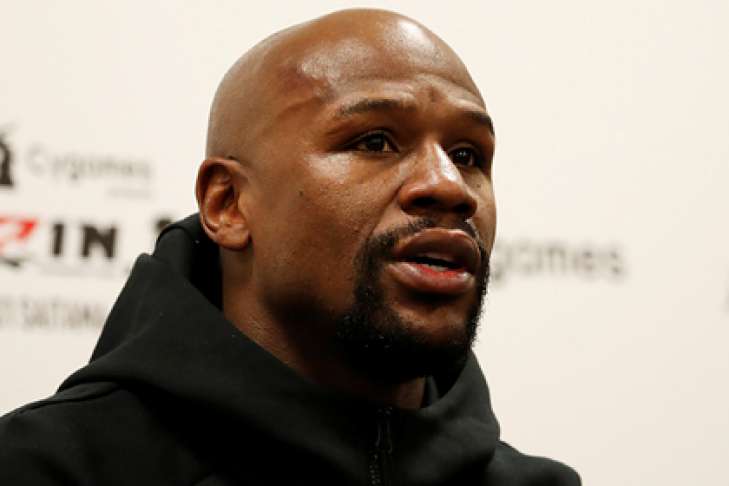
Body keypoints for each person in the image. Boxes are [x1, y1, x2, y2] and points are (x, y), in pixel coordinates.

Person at [0, 9, 580, 485]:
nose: (449, 186)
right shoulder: (43, 468)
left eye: (468, 155)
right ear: (229, 204)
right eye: (375, 142)